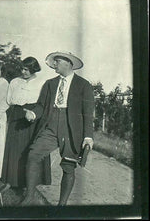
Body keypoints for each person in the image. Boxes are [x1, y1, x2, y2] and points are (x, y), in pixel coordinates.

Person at [21, 51, 95, 206]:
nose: (54, 64)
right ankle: (29, 197)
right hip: (51, 124)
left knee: (68, 166)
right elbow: (42, 105)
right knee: (33, 155)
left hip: (72, 128)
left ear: (68, 63)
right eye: (54, 62)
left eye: (57, 61)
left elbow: (88, 113)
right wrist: (34, 114)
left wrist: (88, 136)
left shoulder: (84, 85)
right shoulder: (50, 83)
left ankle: (61, 206)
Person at [1, 57, 51, 191]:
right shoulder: (15, 82)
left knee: (29, 149)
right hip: (16, 114)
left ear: (34, 69)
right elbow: (9, 100)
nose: (23, 72)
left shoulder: (42, 83)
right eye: (22, 69)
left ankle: (29, 184)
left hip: (33, 116)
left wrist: (34, 114)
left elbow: (44, 104)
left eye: (27, 70)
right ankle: (11, 181)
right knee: (14, 149)